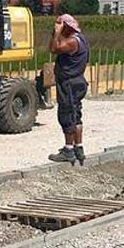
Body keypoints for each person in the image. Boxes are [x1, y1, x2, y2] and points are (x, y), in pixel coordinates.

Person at [47, 14, 89, 165]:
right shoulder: (80, 38)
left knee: (67, 115)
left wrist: (57, 33)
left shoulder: (72, 42)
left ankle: (68, 149)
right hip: (77, 81)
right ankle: (78, 148)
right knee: (76, 114)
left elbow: (53, 49)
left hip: (69, 84)